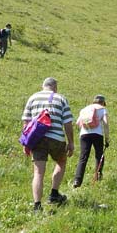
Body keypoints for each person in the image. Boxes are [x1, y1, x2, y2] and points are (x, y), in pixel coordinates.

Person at [22, 77, 74, 211]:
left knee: (38, 172)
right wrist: (71, 142)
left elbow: (26, 122)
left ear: (43, 86)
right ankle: (54, 194)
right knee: (61, 162)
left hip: (37, 139)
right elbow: (68, 123)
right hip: (56, 138)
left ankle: (37, 205)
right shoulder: (61, 98)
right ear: (55, 87)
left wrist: (26, 143)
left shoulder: (33, 98)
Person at [72, 95, 110, 187]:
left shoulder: (84, 109)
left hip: (84, 134)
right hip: (97, 134)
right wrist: (107, 138)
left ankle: (77, 180)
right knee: (99, 155)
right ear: (103, 103)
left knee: (83, 157)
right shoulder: (103, 109)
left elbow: (77, 123)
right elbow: (106, 124)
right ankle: (97, 177)